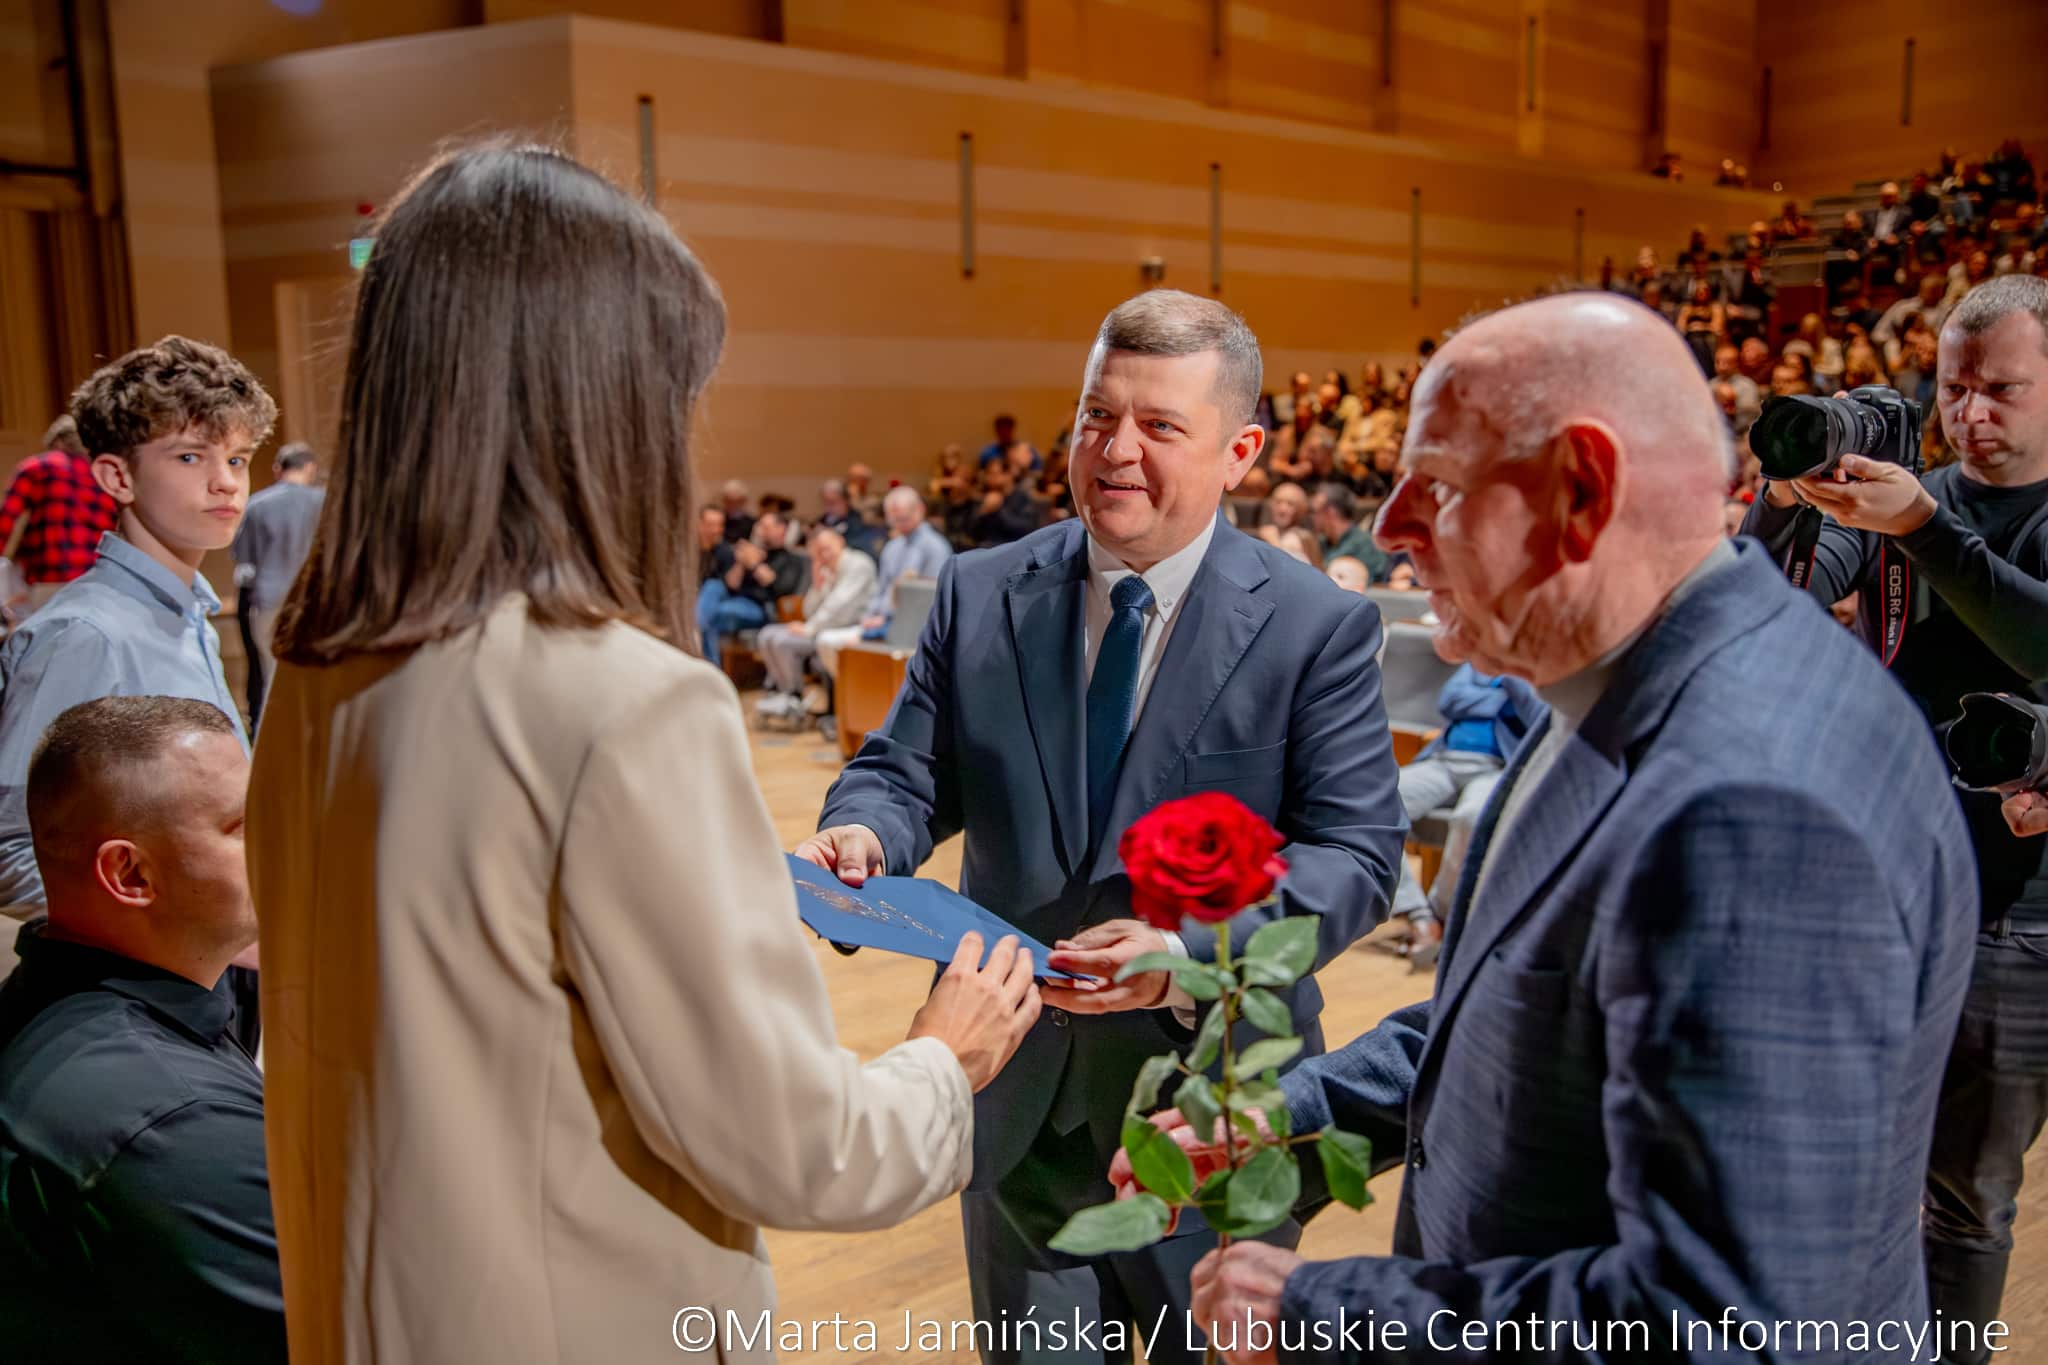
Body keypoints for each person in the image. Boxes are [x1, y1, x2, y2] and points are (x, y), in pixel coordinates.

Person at [246, 143, 1040, 1365]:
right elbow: (794, 1144)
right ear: (601, 403)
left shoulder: (321, 665)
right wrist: (947, 1054)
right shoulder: (621, 700)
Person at [1132, 293, 1977, 1361]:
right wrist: (1286, 1107)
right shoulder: (1614, 670)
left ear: (1578, 490)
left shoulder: (1750, 813)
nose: (1388, 528)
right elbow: (1512, 1019)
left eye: (1431, 488)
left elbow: (1729, 1324)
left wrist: (1326, 1312)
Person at [802, 288, 1406, 1364]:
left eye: (1158, 426)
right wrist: (863, 831)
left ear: (1241, 451)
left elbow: (1353, 858)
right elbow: (905, 769)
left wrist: (1183, 955)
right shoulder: (982, 590)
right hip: (1013, 1095)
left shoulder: (1316, 627)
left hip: (1205, 1112)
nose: (1113, 450)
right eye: (1094, 416)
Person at [1742, 275, 2048, 1363]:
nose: (1969, 414)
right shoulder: (1897, 496)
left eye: (2000, 390)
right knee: (1828, 1164)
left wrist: (1922, 530)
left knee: (1964, 1199)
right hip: (1869, 889)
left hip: (2014, 915)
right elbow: (1759, 604)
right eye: (1954, 389)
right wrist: (1781, 498)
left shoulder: (1921, 511)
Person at [0, 696, 283, 1364]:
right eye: (244, 826)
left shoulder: (52, 1005)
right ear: (130, 873)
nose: (286, 844)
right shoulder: (173, 1121)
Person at [0, 337, 267, 935]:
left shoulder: (185, 616)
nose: (226, 483)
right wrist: (171, 932)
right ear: (117, 476)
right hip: (141, 985)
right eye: (191, 458)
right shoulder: (83, 633)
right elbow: (14, 845)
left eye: (239, 459)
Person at [1379, 664, 1545, 964]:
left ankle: (1442, 916)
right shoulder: (1477, 660)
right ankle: (1419, 915)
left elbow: (1538, 716)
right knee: (1376, 803)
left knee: (1471, 818)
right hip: (1443, 762)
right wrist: (1502, 700)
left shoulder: (1537, 666)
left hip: (1498, 768)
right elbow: (1450, 700)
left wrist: (1511, 675)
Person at [813, 484, 952, 679]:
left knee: (830, 641)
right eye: (893, 519)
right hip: (881, 621)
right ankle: (854, 698)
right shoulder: (893, 547)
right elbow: (881, 591)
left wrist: (887, 618)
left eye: (903, 517)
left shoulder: (935, 548)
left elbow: (930, 600)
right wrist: (870, 616)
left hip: (912, 627)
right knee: (826, 641)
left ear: (920, 509)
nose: (899, 523)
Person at [231, 440, 323, 729]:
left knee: (272, 680)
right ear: (310, 468)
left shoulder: (256, 505)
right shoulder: (325, 500)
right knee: (316, 676)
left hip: (268, 599)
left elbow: (242, 557)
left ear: (276, 469)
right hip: (313, 600)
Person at [752, 524, 876, 726]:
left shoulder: (858, 564)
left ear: (840, 542)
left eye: (826, 548)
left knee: (783, 641)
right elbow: (810, 610)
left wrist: (809, 629)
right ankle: (786, 693)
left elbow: (838, 607)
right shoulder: (826, 569)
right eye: (818, 551)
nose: (823, 554)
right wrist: (817, 585)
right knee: (766, 635)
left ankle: (794, 696)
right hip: (825, 627)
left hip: (849, 628)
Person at [0, 415, 118, 617]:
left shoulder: (36, 467)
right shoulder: (102, 477)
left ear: (58, 441)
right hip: (99, 577)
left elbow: (6, 520)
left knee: (50, 644)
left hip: (51, 577)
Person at [696, 507, 804, 664]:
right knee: (713, 589)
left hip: (761, 608)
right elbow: (731, 584)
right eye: (760, 526)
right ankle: (709, 666)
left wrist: (754, 564)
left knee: (709, 614)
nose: (761, 530)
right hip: (736, 600)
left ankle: (706, 662)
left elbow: (779, 587)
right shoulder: (754, 552)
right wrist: (741, 562)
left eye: (766, 527)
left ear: (781, 530)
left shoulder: (791, 559)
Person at [1310, 482, 1387, 581]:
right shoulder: (1319, 543)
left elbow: (1364, 586)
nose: (1312, 518)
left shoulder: (1365, 545)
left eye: (1314, 511)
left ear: (1331, 512)